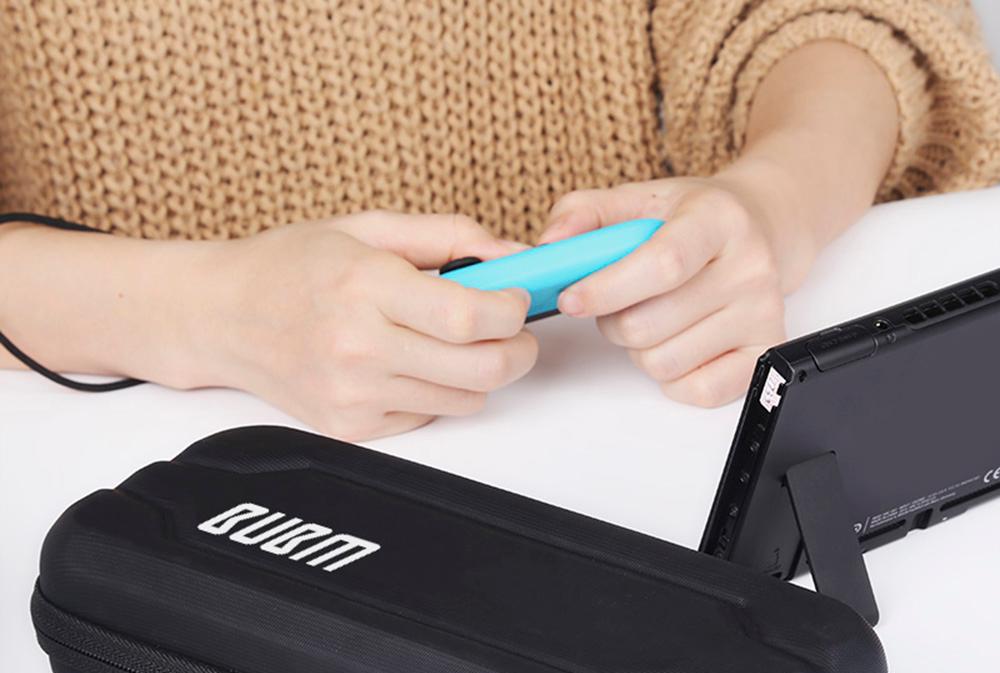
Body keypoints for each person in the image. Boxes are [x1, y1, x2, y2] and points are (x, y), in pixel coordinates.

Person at [1, 1, 998, 440]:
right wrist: (215, 311)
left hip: (631, 439)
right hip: (155, 501)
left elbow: (848, 19)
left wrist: (770, 201)